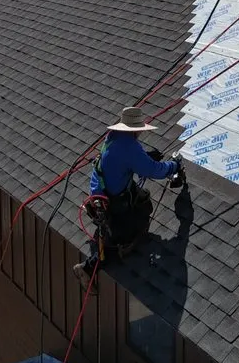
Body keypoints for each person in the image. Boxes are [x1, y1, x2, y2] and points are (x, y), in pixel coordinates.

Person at [73, 106, 181, 290]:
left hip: (99, 193)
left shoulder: (113, 137)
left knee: (139, 200)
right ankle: (88, 267)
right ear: (136, 129)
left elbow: (121, 160)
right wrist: (173, 166)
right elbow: (153, 170)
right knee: (125, 235)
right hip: (112, 201)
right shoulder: (129, 146)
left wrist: (145, 156)